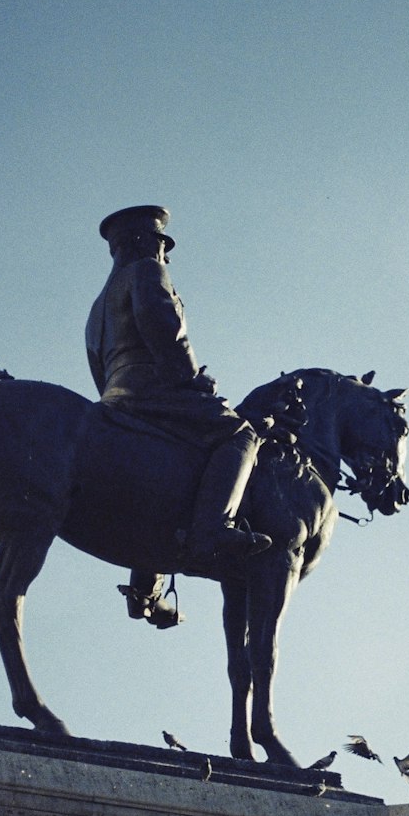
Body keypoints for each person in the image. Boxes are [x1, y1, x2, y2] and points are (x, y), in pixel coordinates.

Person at [86, 205, 270, 625]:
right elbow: (166, 330)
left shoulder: (98, 303)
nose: (165, 254)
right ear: (143, 243)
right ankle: (213, 530)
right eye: (160, 244)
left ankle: (144, 588)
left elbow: (98, 366)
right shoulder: (147, 273)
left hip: (115, 398)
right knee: (240, 435)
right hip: (155, 389)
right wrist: (190, 380)